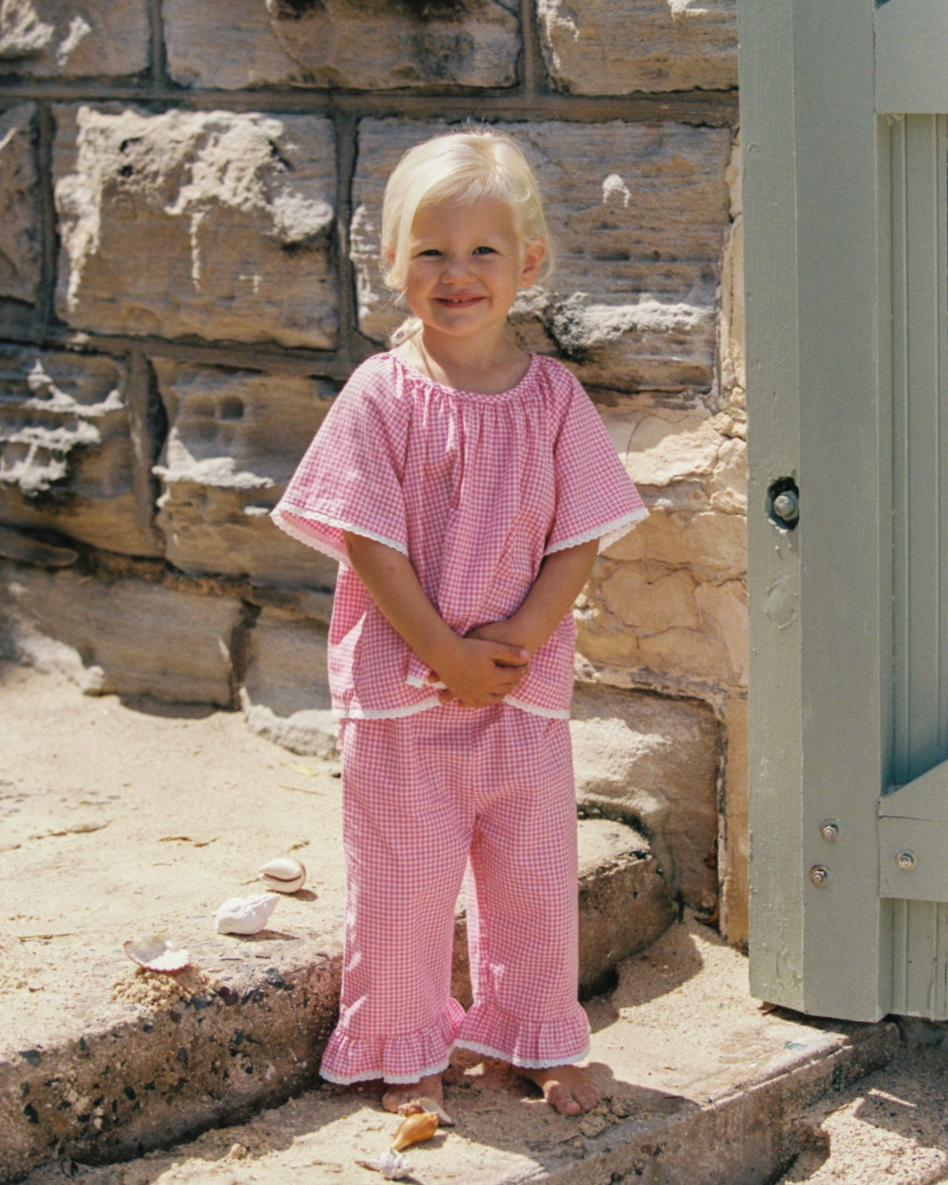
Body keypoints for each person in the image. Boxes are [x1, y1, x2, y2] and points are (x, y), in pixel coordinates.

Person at [271, 128, 647, 1117]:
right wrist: (445, 653)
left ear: (528, 263)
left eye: (483, 251)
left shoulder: (556, 400)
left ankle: (530, 1035)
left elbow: (582, 536)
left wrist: (512, 647)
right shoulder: (380, 397)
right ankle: (404, 1046)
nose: (457, 273)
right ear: (394, 263)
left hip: (521, 697)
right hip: (405, 699)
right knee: (401, 885)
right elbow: (366, 543)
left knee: (532, 880)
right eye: (431, 251)